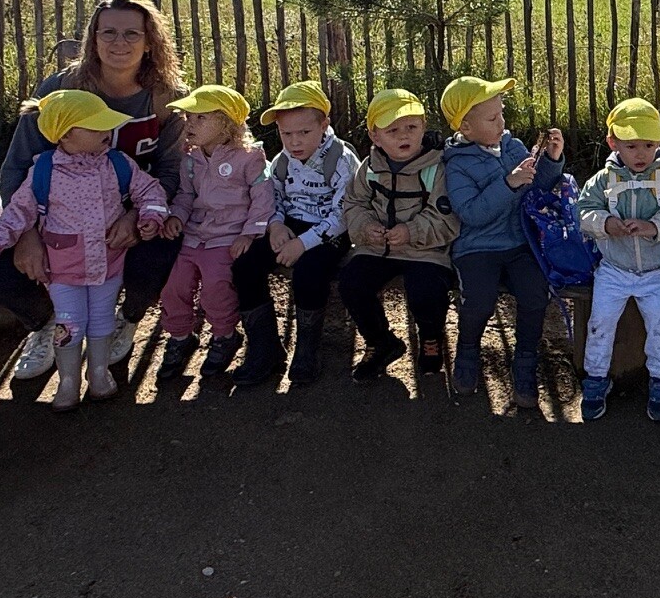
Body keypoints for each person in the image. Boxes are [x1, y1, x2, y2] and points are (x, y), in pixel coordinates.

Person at [0, 0, 187, 383]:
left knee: (166, 244)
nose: (119, 42)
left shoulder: (166, 97)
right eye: (108, 32)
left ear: (149, 42)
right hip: (59, 220)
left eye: (132, 33)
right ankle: (46, 322)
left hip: (128, 218)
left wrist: (136, 216)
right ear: (93, 38)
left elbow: (171, 170)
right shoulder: (61, 89)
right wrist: (26, 234)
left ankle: (126, 319)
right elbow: (19, 166)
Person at [0, 90, 170, 411]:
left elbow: (150, 189)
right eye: (96, 126)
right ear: (65, 135)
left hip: (108, 261)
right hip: (64, 266)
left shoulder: (117, 163)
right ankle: (68, 382)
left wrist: (149, 216)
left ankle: (98, 373)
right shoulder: (45, 171)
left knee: (102, 318)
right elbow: (18, 212)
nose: (107, 131)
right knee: (69, 321)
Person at [439, 75, 565, 409]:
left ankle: (525, 360)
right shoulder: (457, 164)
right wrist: (508, 183)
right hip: (477, 247)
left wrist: (552, 160)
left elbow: (538, 188)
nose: (502, 123)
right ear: (466, 127)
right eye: (492, 118)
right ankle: (467, 351)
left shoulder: (512, 146)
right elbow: (471, 213)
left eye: (502, 114)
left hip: (520, 243)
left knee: (535, 293)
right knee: (479, 300)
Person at [576, 97, 660, 423]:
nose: (641, 154)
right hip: (613, 269)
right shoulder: (602, 180)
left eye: (649, 145)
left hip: (657, 270)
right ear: (613, 143)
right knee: (600, 322)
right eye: (631, 146)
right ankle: (596, 377)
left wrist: (654, 227)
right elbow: (583, 213)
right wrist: (606, 224)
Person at [338, 88, 459, 379]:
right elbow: (354, 203)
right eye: (392, 130)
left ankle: (430, 338)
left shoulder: (437, 168)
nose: (404, 135)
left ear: (423, 128)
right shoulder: (370, 167)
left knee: (426, 291)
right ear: (375, 136)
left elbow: (447, 218)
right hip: (377, 247)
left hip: (426, 250)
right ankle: (380, 341)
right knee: (352, 282)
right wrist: (366, 228)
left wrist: (411, 231)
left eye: (411, 127)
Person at [156, 85, 269, 381]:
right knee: (174, 285)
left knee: (216, 286)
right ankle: (180, 336)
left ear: (226, 124)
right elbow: (185, 194)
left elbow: (263, 197)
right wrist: (176, 216)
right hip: (194, 233)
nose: (190, 124)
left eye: (200, 118)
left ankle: (224, 335)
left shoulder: (249, 157)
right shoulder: (191, 158)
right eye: (188, 117)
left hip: (228, 236)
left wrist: (250, 233)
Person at [255, 80, 355, 385]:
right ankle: (264, 348)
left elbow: (343, 215)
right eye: (286, 134)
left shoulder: (341, 160)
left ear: (324, 125)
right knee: (246, 263)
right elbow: (274, 197)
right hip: (291, 224)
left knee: (309, 272)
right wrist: (275, 225)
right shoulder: (281, 161)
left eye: (304, 132)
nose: (294, 141)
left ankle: (307, 348)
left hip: (331, 230)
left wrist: (302, 244)